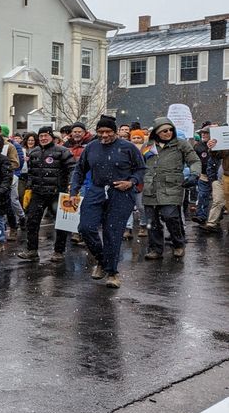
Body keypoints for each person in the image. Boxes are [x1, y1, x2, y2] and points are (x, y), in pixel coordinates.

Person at [71, 115, 146, 288]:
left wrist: (131, 182)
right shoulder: (91, 147)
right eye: (100, 132)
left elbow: (141, 169)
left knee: (112, 233)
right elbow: (79, 170)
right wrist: (74, 191)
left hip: (121, 193)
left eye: (108, 132)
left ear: (115, 132)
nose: (104, 136)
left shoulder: (128, 148)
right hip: (96, 190)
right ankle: (102, 260)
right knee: (85, 227)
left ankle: (112, 272)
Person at [141, 116, 200, 260]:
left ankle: (178, 244)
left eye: (170, 130)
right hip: (151, 187)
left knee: (170, 216)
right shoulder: (148, 146)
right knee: (152, 221)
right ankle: (155, 249)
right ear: (156, 132)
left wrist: (194, 174)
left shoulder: (181, 144)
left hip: (172, 186)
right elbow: (139, 164)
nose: (168, 133)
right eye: (164, 131)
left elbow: (194, 160)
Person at [16, 126, 74, 263]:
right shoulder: (34, 152)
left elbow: (73, 169)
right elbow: (31, 173)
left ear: (52, 137)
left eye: (45, 136)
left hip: (57, 193)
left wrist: (71, 186)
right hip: (38, 193)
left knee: (60, 224)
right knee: (32, 221)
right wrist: (29, 189)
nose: (43, 138)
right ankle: (32, 250)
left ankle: (59, 251)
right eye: (40, 136)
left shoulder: (62, 151)